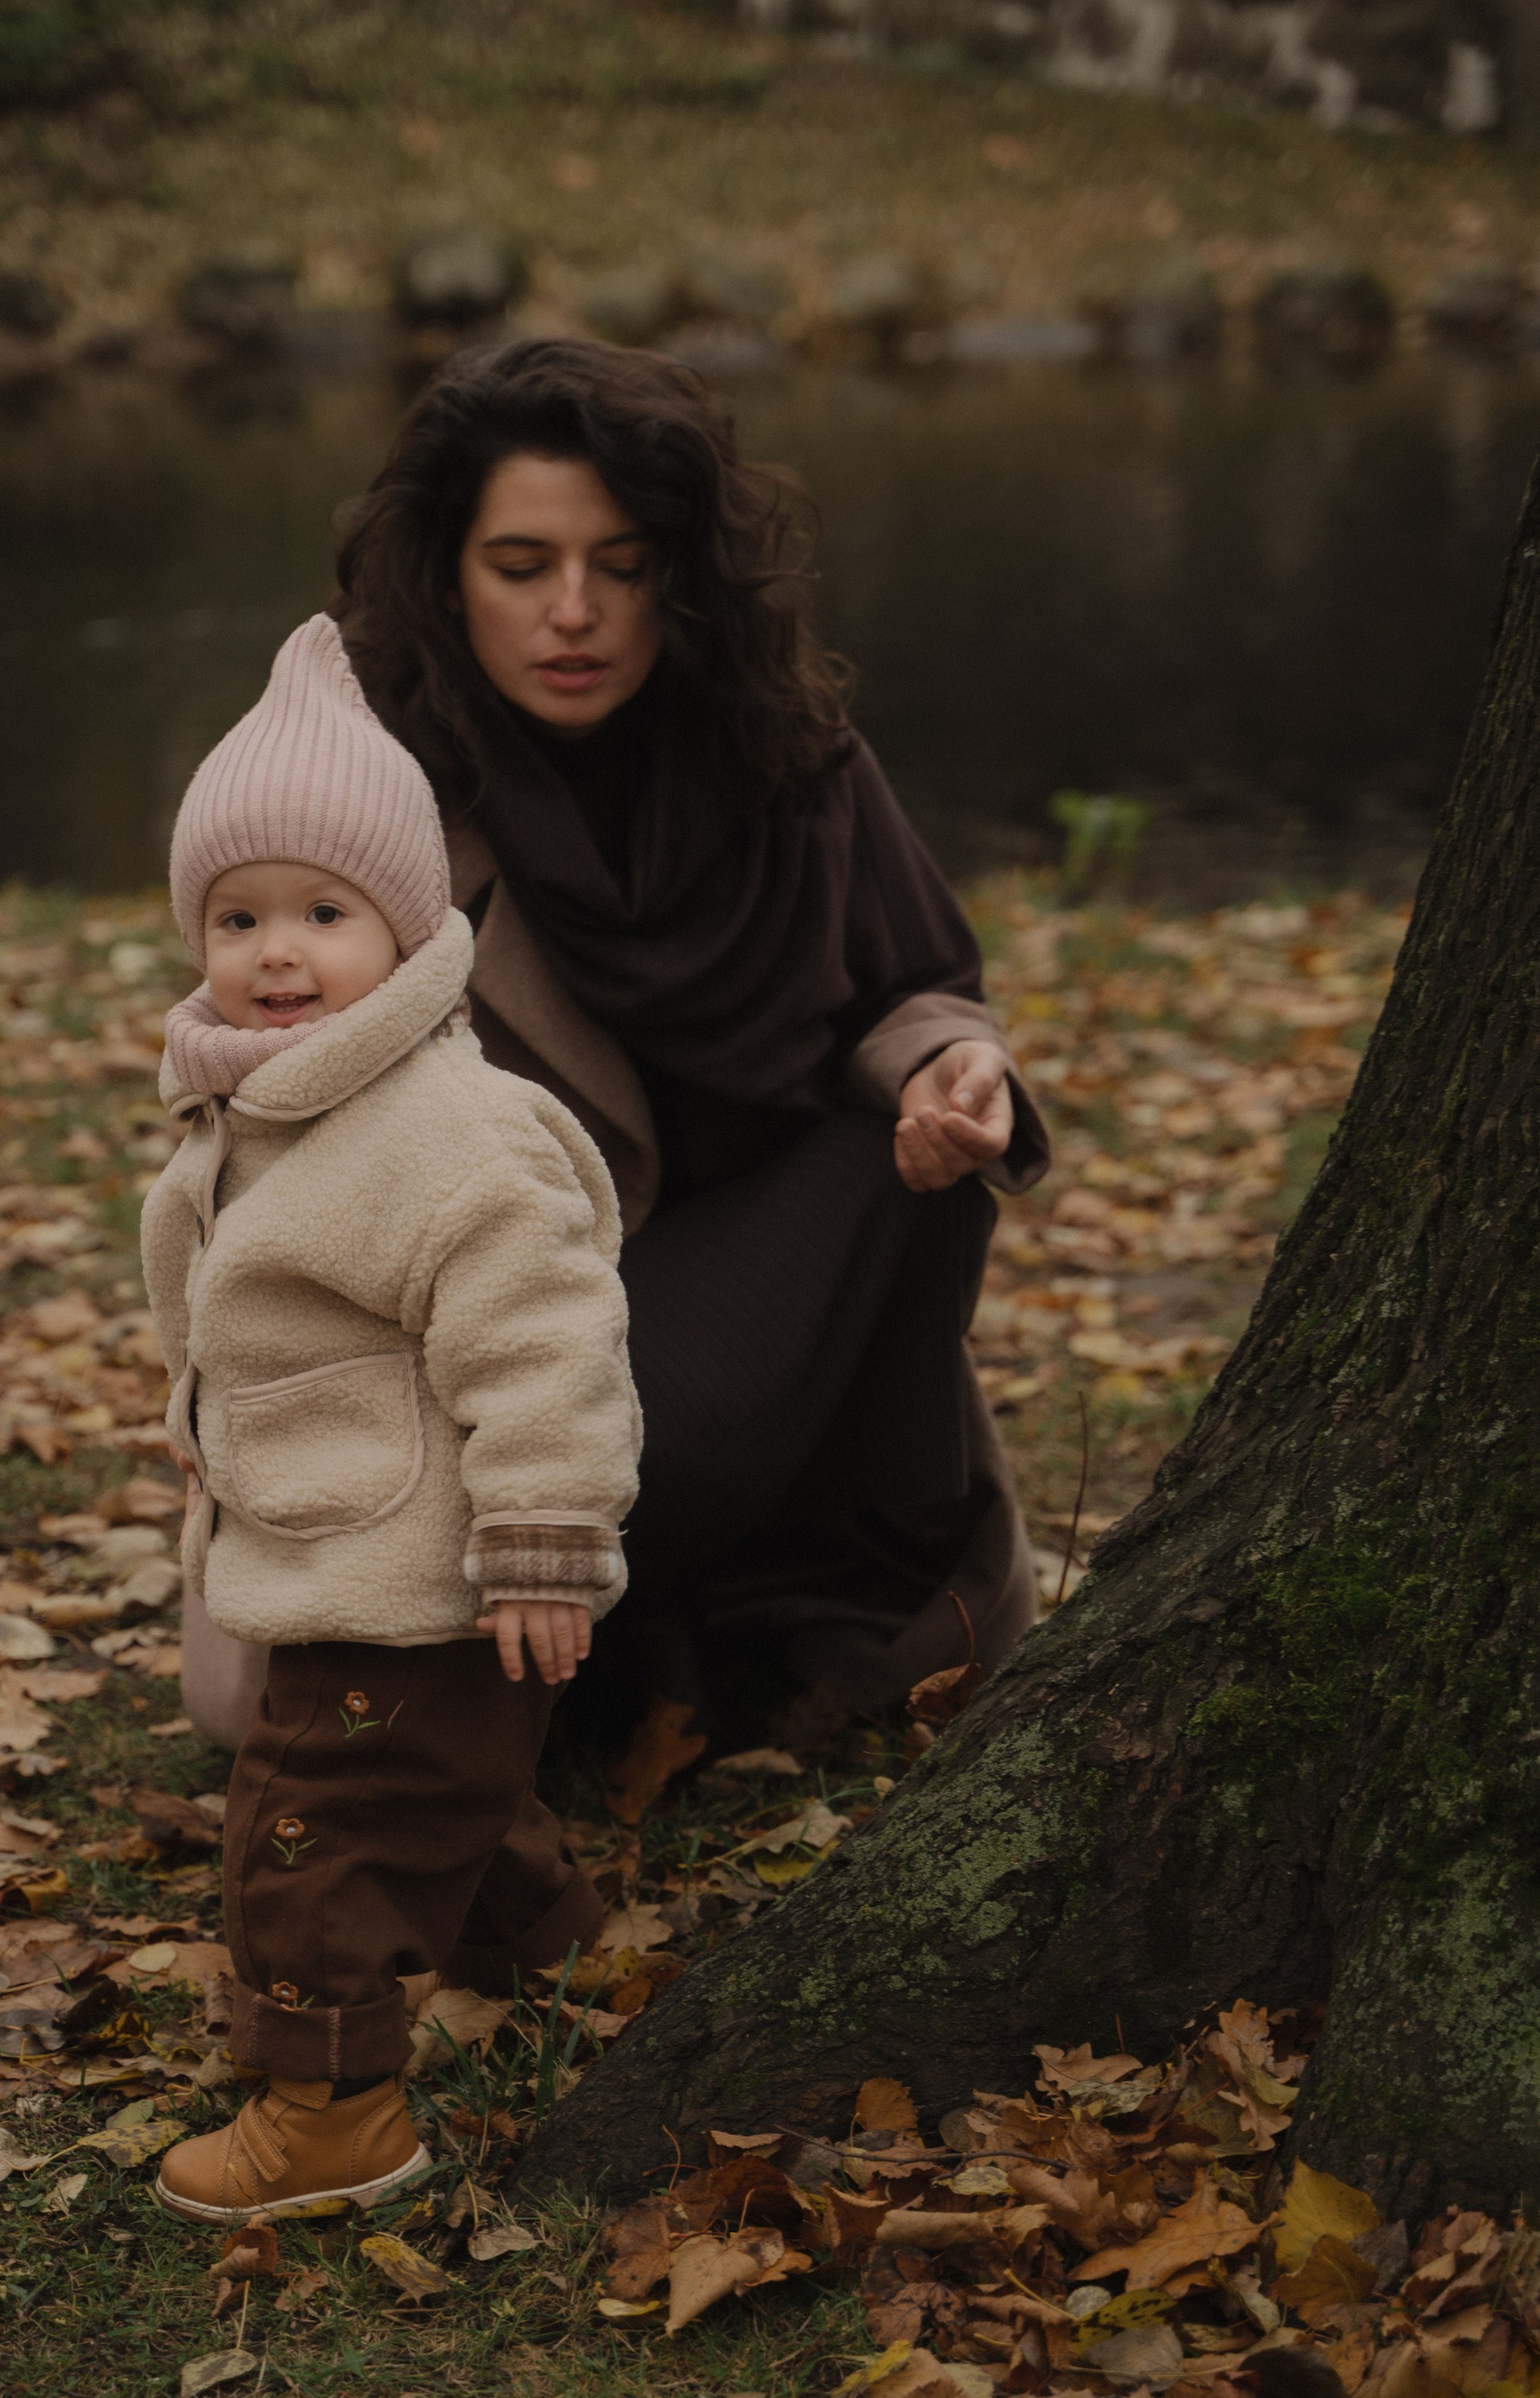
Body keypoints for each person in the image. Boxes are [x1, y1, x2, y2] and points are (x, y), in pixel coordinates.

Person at [180, 334, 1050, 1765]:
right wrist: (220, 1391)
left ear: (683, 577)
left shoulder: (794, 756)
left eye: (623, 563)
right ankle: (634, 1626)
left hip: (747, 1308)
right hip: (458, 1347)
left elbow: (917, 987)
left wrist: (949, 1073)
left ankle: (793, 1597)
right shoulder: (370, 795)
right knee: (342, 1672)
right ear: (446, 576)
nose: (572, 612)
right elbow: (245, 1102)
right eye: (521, 566)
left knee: (918, 1157)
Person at [141, 613, 642, 2221]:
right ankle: (561, 1959)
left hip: (421, 1580)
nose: (274, 950)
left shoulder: (440, 1129)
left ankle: (329, 2109)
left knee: (308, 1833)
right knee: (441, 1796)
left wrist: (545, 1538)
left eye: (322, 911)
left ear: (411, 925)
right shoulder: (276, 1104)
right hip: (340, 1545)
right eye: (236, 914)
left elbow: (545, 1334)